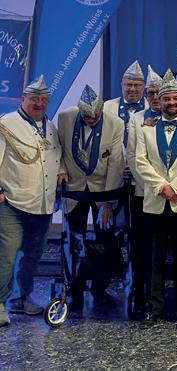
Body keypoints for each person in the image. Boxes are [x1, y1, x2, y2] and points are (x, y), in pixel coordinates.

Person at [134, 70, 177, 328]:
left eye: (175, 98)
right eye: (166, 99)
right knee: (154, 259)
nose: (171, 103)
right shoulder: (146, 130)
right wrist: (161, 187)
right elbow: (140, 162)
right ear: (159, 101)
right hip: (155, 204)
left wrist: (175, 187)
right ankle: (154, 309)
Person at [0, 76, 63, 326]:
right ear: (22, 100)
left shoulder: (51, 128)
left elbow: (56, 157)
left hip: (43, 205)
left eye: (43, 99)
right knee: (6, 255)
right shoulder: (6, 124)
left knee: (33, 255)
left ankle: (21, 298)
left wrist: (62, 171)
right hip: (11, 203)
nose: (39, 103)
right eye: (34, 99)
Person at [57, 85, 124, 311]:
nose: (92, 119)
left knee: (105, 240)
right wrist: (61, 170)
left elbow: (115, 165)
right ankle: (73, 290)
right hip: (74, 188)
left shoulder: (115, 124)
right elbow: (59, 150)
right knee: (72, 239)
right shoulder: (65, 118)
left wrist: (108, 202)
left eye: (96, 116)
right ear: (80, 111)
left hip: (102, 189)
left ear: (102, 109)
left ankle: (99, 289)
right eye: (87, 117)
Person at [125, 64, 166, 319]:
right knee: (143, 249)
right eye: (151, 93)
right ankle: (141, 297)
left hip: (175, 194)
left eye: (158, 92)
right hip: (144, 193)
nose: (155, 97)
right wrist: (154, 186)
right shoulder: (136, 119)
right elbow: (133, 156)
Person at [104, 60, 147, 146]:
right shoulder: (107, 107)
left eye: (137, 85)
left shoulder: (150, 107)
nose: (132, 89)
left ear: (143, 87)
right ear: (122, 85)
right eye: (128, 84)